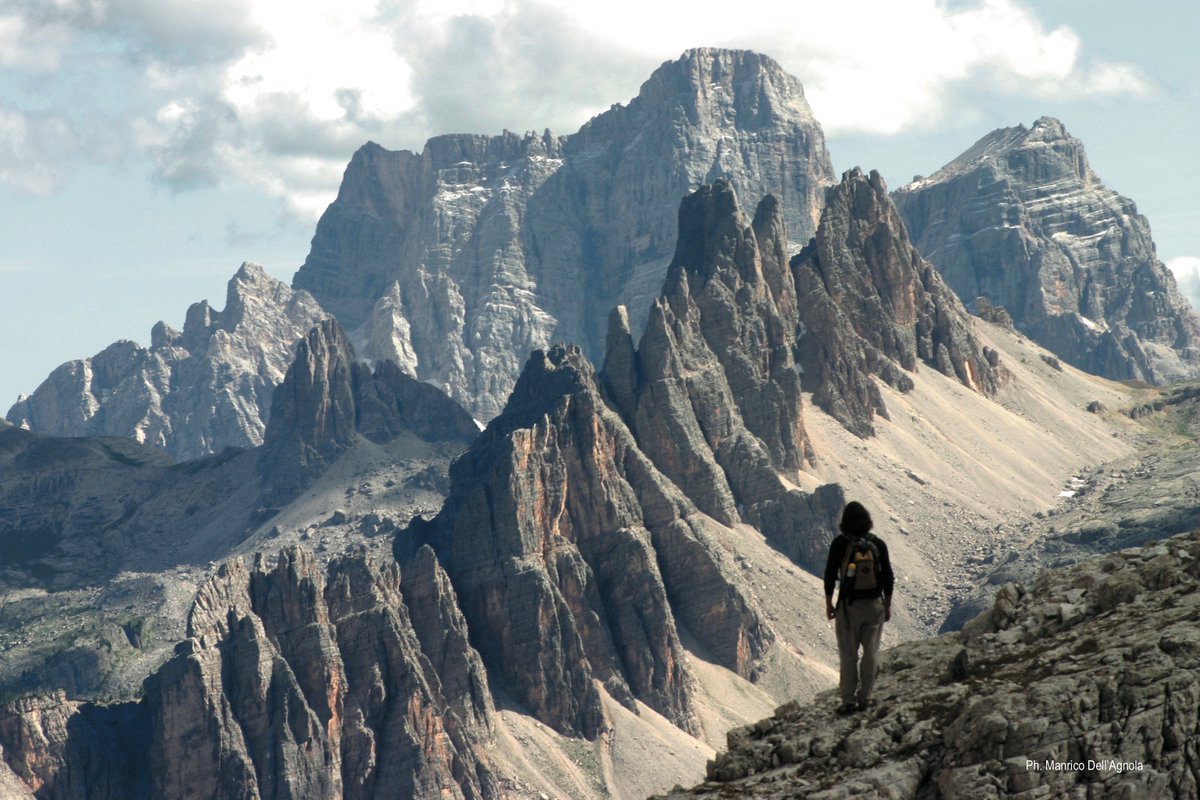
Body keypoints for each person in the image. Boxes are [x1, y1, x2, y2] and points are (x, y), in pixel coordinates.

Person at [824, 501, 894, 715]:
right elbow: (889, 577)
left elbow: (829, 575)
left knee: (848, 654)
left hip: (848, 607)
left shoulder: (840, 544)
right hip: (874, 606)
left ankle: (848, 700)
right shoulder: (878, 544)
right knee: (871, 653)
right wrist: (887, 606)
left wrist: (829, 604)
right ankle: (867, 697)